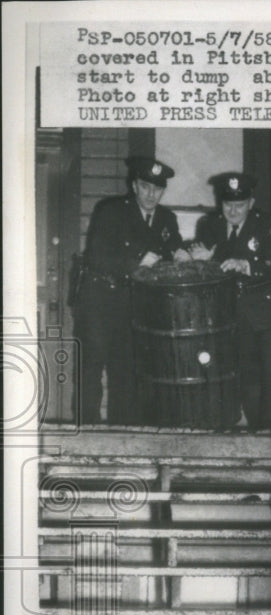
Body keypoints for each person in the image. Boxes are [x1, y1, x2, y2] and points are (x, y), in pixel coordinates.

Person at [74, 157, 183, 425]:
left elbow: (175, 248)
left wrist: (185, 254)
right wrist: (135, 263)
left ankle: (121, 432)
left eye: (157, 189)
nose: (151, 194)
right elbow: (96, 257)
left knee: (126, 371)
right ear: (134, 186)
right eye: (145, 187)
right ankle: (86, 430)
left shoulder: (167, 218)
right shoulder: (111, 211)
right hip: (100, 299)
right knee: (92, 367)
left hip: (134, 306)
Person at [192, 172, 271, 430]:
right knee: (226, 375)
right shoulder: (209, 225)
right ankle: (227, 427)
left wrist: (247, 264)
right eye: (227, 204)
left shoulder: (267, 225)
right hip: (222, 316)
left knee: (262, 377)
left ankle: (265, 431)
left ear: (251, 203)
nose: (233, 210)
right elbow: (202, 268)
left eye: (239, 205)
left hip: (259, 315)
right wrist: (200, 259)